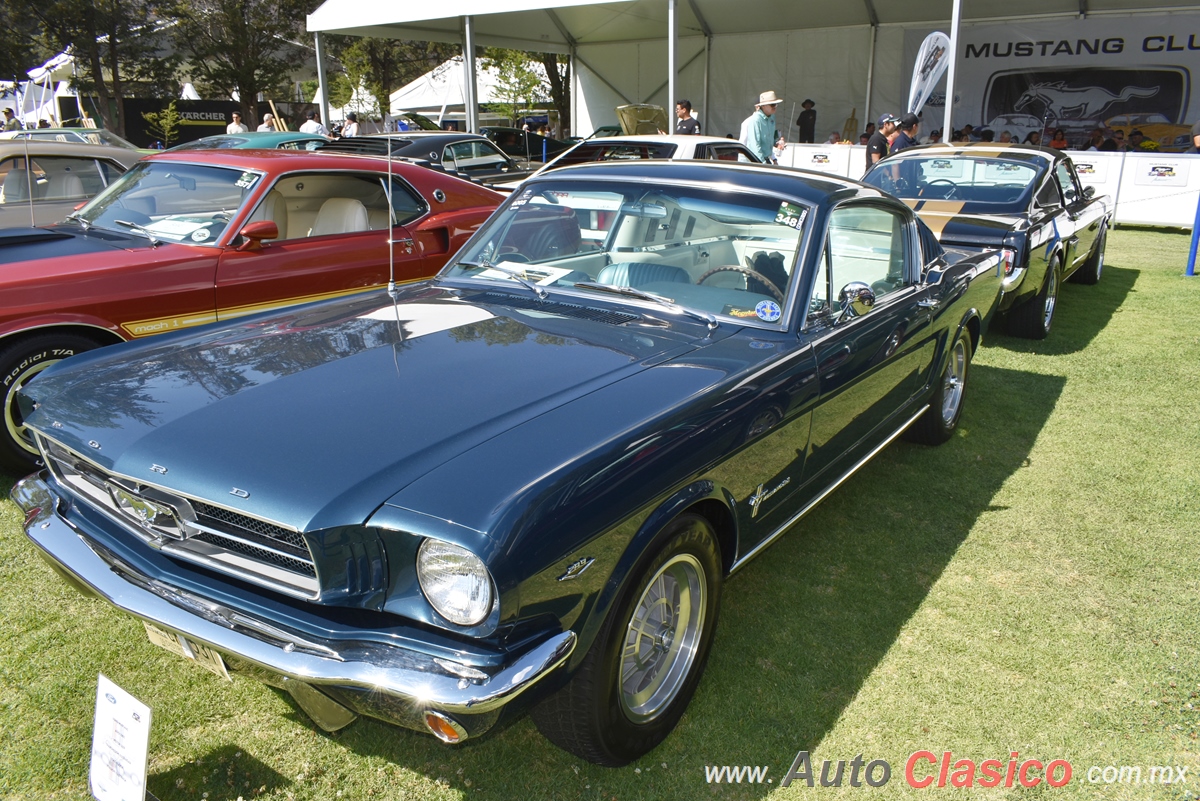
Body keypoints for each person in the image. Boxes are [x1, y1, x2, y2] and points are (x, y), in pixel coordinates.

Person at [739, 90, 782, 163]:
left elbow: (769, 140)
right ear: (764, 106)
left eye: (776, 104)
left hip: (765, 159)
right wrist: (763, 165)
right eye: (772, 104)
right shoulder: (755, 120)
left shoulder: (771, 118)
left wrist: (777, 142)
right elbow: (755, 146)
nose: (775, 106)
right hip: (755, 161)